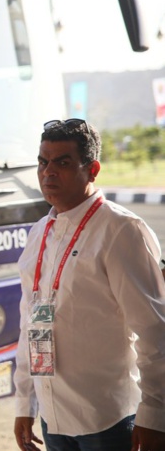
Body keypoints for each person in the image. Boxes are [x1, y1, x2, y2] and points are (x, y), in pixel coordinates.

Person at [13, 119, 165, 451]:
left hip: (108, 420)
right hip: (54, 417)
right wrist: (24, 403)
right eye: (43, 161)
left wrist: (156, 415)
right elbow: (32, 323)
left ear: (92, 169)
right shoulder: (40, 232)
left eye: (63, 162)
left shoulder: (121, 231)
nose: (48, 172)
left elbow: (154, 331)